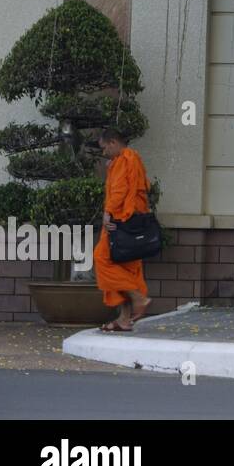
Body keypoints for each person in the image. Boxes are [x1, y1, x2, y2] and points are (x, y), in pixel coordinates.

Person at [95, 128, 153, 333]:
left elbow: (119, 190)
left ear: (112, 142)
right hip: (132, 221)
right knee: (127, 267)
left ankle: (139, 297)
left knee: (102, 258)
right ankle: (124, 319)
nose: (104, 153)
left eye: (104, 148)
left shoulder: (124, 160)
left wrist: (108, 213)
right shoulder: (131, 159)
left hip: (120, 221)